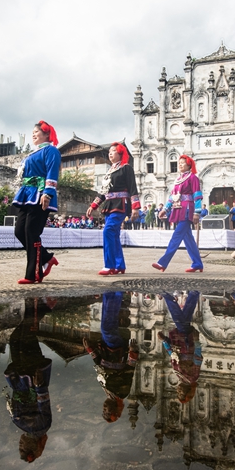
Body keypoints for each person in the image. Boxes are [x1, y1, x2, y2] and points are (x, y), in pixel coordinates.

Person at [5, 298, 54, 462]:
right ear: (33, 448)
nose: (20, 444)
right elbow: (44, 403)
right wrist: (40, 387)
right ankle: (38, 305)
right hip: (32, 379)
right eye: (22, 448)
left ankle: (39, 307)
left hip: (20, 378)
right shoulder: (42, 426)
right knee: (26, 337)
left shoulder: (22, 426)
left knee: (16, 339)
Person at [12, 121, 61, 284]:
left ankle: (33, 274)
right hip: (27, 195)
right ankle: (46, 258)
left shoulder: (51, 151)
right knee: (20, 231)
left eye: (37, 132)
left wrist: (48, 193)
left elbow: (52, 172)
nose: (33, 134)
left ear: (47, 134)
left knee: (31, 232)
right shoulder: (31, 154)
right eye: (32, 132)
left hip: (40, 194)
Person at [83, 292, 138, 423]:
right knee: (107, 329)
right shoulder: (121, 393)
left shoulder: (108, 392)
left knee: (107, 323)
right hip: (116, 352)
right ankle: (116, 294)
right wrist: (133, 353)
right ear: (115, 409)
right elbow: (129, 371)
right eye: (107, 411)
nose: (104, 408)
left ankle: (110, 294)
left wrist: (90, 350)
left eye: (103, 411)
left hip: (105, 351)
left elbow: (100, 366)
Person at [88, 142, 139, 276]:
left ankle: (109, 265)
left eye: (114, 151)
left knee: (108, 231)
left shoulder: (126, 168)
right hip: (109, 205)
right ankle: (119, 265)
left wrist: (135, 207)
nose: (110, 153)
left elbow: (133, 187)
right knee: (114, 235)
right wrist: (93, 205)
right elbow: (103, 191)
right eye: (109, 151)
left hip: (121, 204)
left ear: (120, 153)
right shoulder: (109, 171)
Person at [152, 155, 204, 273]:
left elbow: (197, 196)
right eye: (179, 162)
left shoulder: (193, 178)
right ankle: (197, 263)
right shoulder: (178, 179)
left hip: (187, 210)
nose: (180, 164)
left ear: (189, 165)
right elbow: (173, 196)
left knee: (176, 236)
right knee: (188, 239)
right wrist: (165, 209)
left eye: (182, 163)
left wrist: (197, 212)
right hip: (178, 209)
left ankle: (163, 262)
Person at [158, 291, 202, 403]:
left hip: (177, 344)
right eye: (181, 393)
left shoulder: (180, 377)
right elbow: (197, 359)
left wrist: (165, 341)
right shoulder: (193, 377)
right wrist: (197, 341)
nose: (179, 391)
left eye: (178, 393)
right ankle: (167, 296)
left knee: (185, 317)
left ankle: (194, 294)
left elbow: (173, 356)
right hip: (187, 344)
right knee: (178, 319)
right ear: (188, 391)